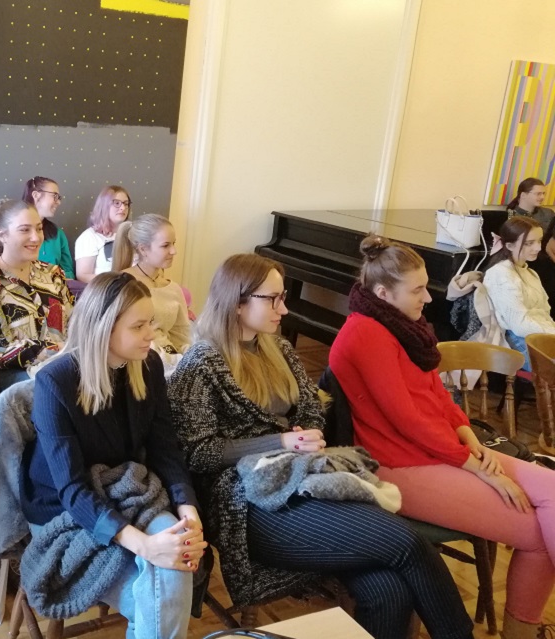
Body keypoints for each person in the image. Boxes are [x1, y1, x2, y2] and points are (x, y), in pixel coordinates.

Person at [170, 254, 474, 639]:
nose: (284, 308)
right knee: (408, 543)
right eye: (273, 299)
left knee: (390, 591)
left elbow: (312, 407)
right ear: (238, 302)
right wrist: (280, 441)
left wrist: (308, 434)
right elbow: (197, 454)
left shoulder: (277, 348)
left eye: (283, 297)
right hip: (246, 503)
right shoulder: (201, 362)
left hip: (301, 480)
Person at [330, 234, 555, 639]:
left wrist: (471, 440)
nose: (428, 297)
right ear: (383, 293)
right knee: (536, 533)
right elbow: (407, 421)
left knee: (552, 492)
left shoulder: (402, 325)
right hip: (398, 464)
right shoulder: (365, 333)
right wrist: (480, 469)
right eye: (417, 290)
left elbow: (438, 395)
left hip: (438, 450)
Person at [22, 272, 206, 639]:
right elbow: (72, 490)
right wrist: (146, 545)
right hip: (62, 508)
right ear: (104, 329)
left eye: (150, 322)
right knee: (159, 597)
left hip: (124, 491)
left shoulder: (148, 365)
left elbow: (165, 447)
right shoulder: (55, 382)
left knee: (178, 562)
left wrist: (188, 508)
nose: (151, 333)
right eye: (139, 326)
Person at [0, 199, 73, 394]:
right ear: (2, 235)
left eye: (39, 229)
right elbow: (0, 352)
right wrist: (56, 349)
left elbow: (73, 320)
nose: (35, 237)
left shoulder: (54, 273)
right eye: (25, 230)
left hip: (64, 366)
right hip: (19, 378)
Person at [112, 214, 191, 367]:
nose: (173, 251)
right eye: (165, 245)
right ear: (143, 249)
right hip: (139, 362)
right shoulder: (124, 283)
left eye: (173, 244)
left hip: (172, 361)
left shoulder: (174, 289)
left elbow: (182, 337)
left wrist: (191, 359)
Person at [483, 216, 555, 369]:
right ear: (509, 245)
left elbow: (545, 312)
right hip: (518, 340)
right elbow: (520, 326)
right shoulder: (501, 274)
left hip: (540, 336)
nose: (538, 248)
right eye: (529, 243)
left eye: (539, 241)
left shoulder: (531, 274)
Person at [74, 185, 132, 283]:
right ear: (104, 205)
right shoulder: (89, 237)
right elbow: (83, 275)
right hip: (107, 289)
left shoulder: (133, 234)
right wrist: (115, 282)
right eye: (117, 203)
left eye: (126, 203)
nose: (123, 208)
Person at [22, 175, 74, 278]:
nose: (58, 202)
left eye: (59, 198)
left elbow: (69, 273)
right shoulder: (13, 232)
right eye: (55, 196)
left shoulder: (57, 234)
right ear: (36, 195)